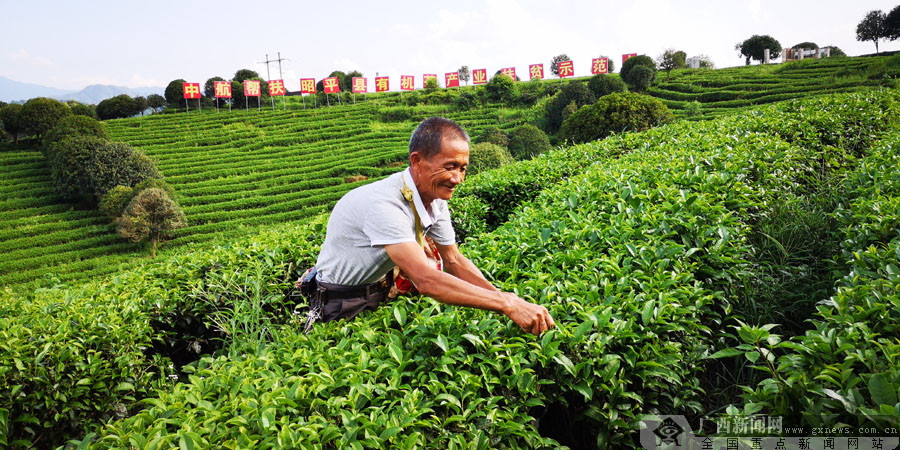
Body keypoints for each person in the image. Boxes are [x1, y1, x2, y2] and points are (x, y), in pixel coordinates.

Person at [308, 117, 555, 335]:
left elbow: (454, 260)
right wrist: (507, 305)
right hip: (340, 301)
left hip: (377, 290)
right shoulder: (384, 204)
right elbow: (426, 280)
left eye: (463, 168)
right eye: (449, 167)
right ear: (417, 161)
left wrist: (508, 301)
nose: (457, 178)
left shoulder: (434, 197)